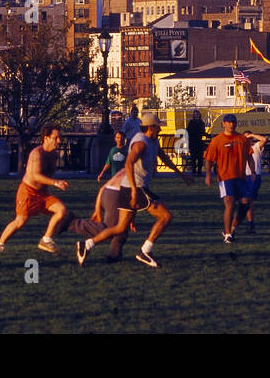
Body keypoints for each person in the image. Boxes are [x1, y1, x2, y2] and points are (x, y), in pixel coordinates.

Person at [76, 112, 190, 268]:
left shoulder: (153, 140)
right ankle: (145, 251)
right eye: (158, 127)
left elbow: (163, 157)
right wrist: (135, 191)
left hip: (129, 188)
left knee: (120, 228)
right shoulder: (141, 143)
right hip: (136, 188)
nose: (160, 130)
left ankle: (87, 245)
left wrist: (182, 175)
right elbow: (128, 164)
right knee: (166, 217)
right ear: (150, 127)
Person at [0, 124, 69, 254]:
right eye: (56, 138)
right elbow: (35, 175)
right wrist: (56, 183)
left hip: (43, 194)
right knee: (20, 221)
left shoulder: (54, 155)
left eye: (59, 138)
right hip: (28, 192)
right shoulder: (36, 154)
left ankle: (46, 239)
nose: (59, 141)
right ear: (46, 138)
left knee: (61, 210)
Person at [204, 114, 250, 244]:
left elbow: (249, 155)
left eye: (233, 122)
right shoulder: (217, 140)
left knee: (245, 204)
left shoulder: (242, 139)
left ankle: (232, 227)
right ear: (223, 124)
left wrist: (252, 171)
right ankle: (228, 234)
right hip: (225, 177)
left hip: (240, 177)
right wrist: (208, 175)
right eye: (228, 122)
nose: (231, 125)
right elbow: (209, 159)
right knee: (229, 203)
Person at [241, 130, 267, 233]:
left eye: (249, 138)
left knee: (249, 200)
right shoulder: (241, 148)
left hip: (254, 177)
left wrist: (252, 135)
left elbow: (264, 139)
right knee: (244, 201)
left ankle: (250, 223)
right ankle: (249, 223)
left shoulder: (256, 147)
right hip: (242, 176)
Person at [186, 109, 207, 176]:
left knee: (199, 157)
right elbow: (189, 131)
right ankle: (194, 170)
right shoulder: (192, 122)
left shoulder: (201, 123)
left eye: (197, 114)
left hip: (198, 141)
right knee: (194, 157)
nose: (196, 115)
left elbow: (202, 132)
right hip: (193, 141)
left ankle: (199, 170)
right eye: (195, 114)